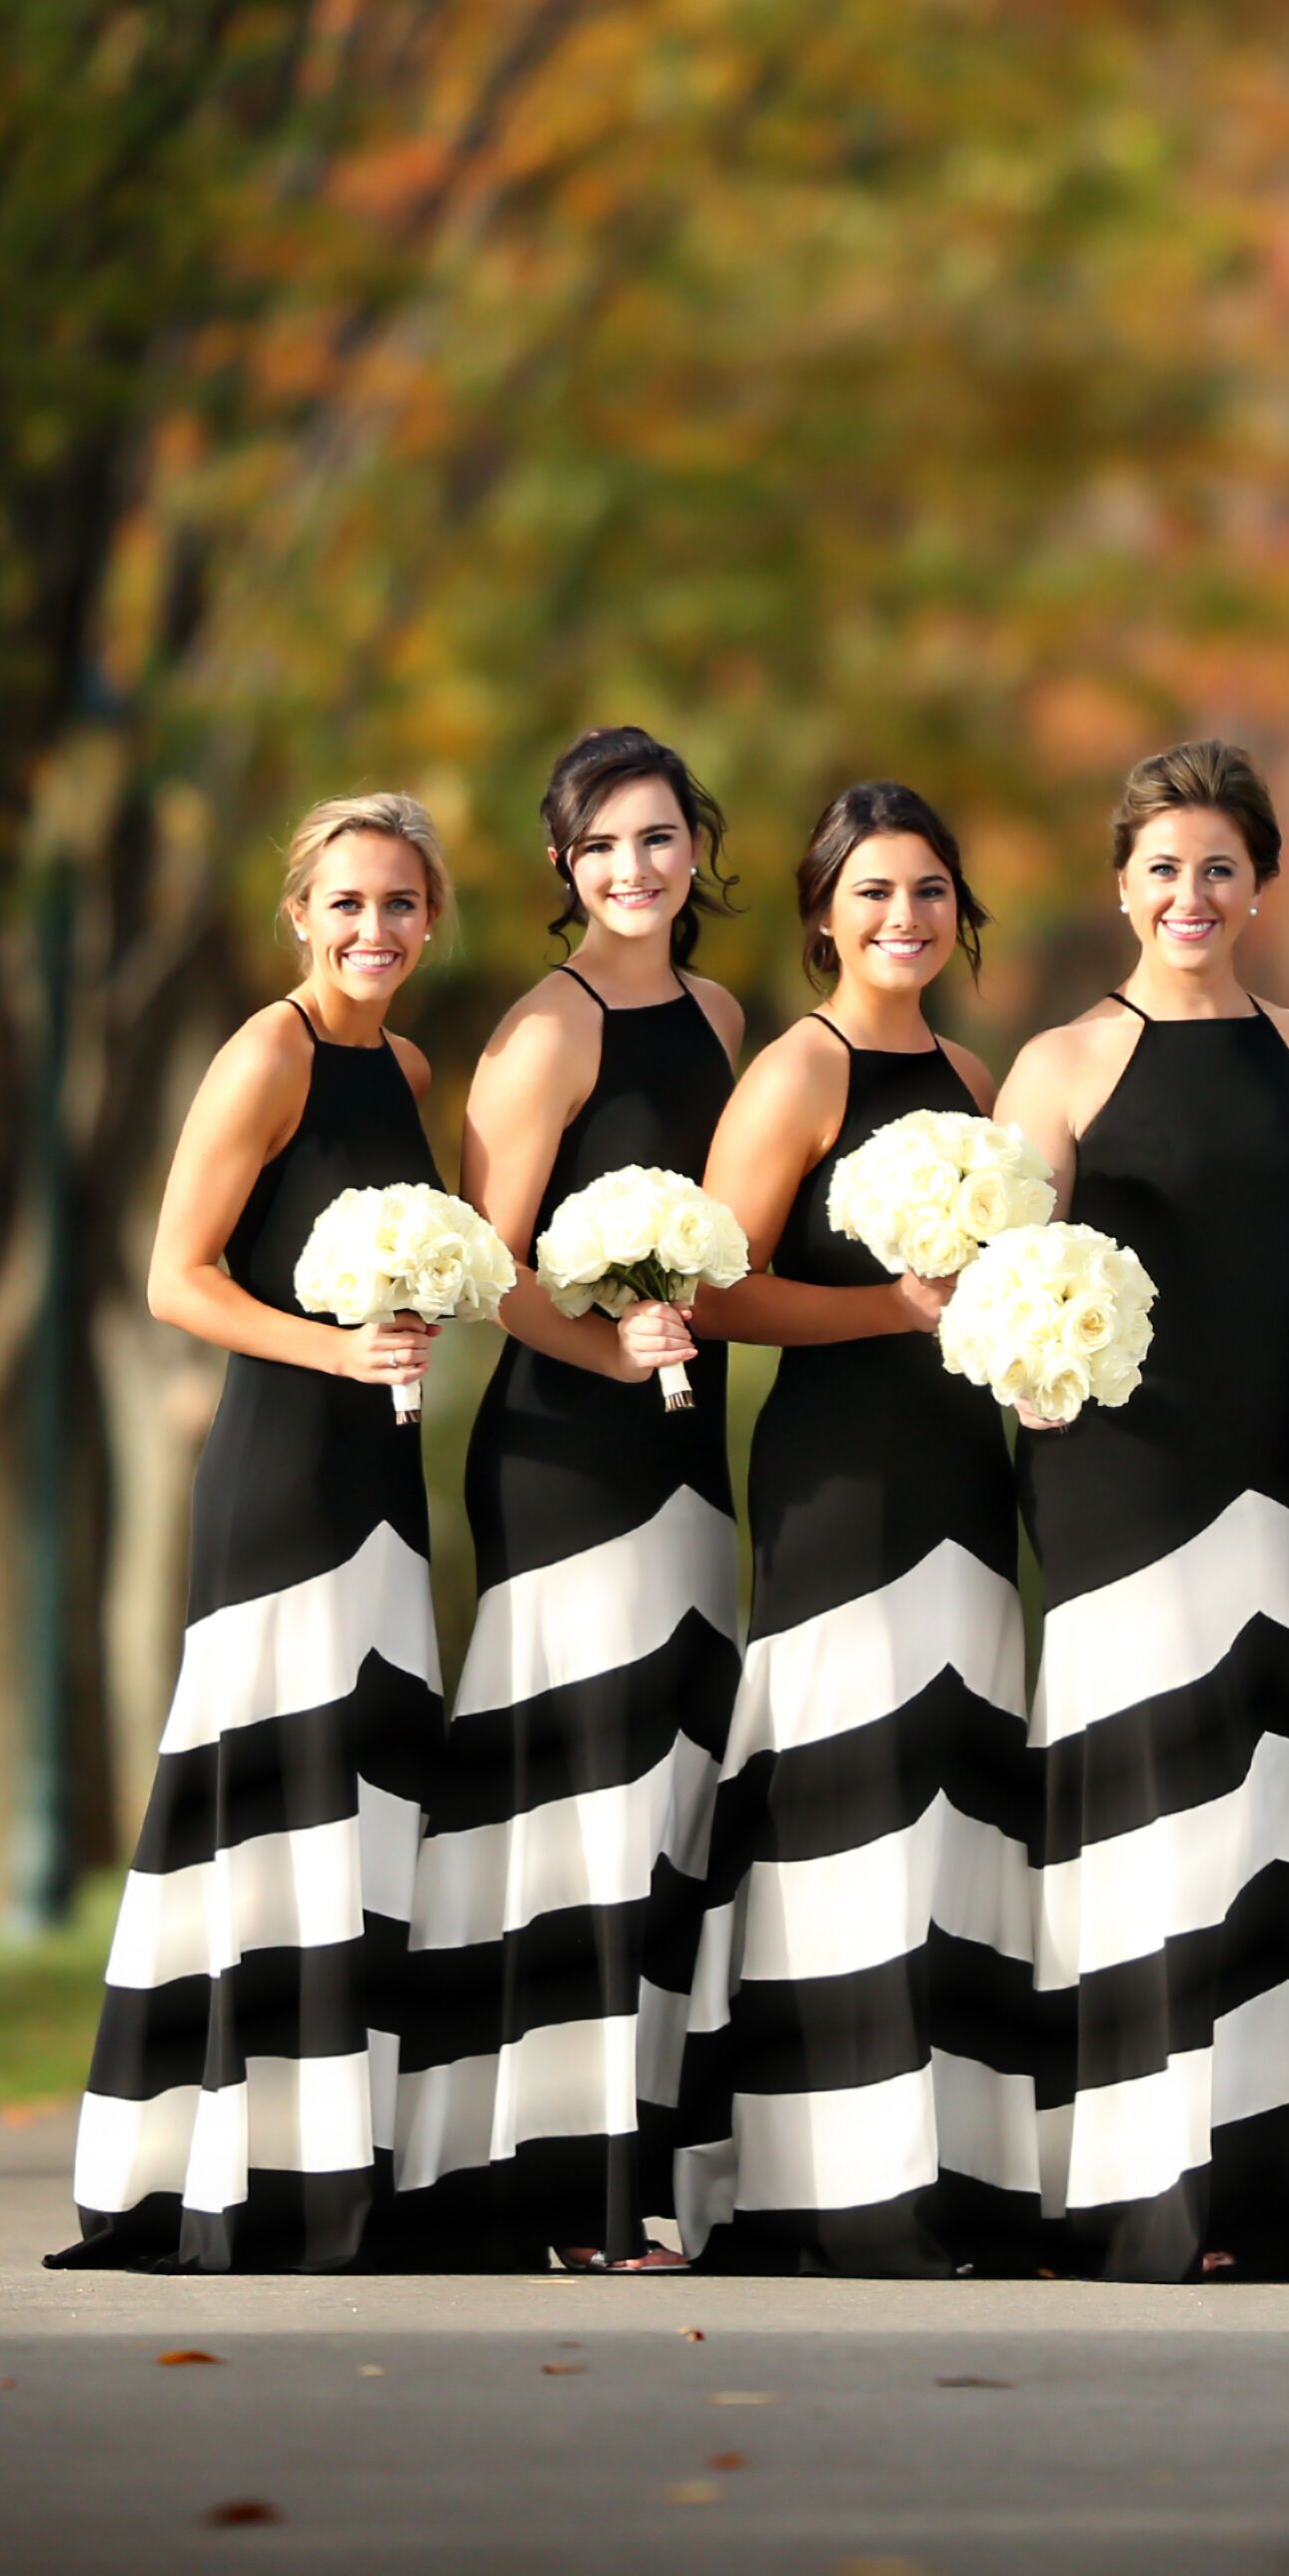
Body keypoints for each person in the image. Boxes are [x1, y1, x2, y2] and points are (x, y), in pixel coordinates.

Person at [56, 792, 461, 2273]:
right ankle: (216, 2168)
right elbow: (178, 1279)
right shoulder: (266, 1053)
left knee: (366, 1802)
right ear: (299, 912)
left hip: (389, 1471)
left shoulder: (406, 1066)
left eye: (401, 905)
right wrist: (331, 1348)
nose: (373, 930)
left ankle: (344, 2164)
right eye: (346, 903)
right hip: (284, 1469)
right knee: (269, 1804)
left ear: (432, 919)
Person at [671, 784, 1042, 2273]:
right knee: (846, 1795)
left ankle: (957, 2169)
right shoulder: (796, 1074)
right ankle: (824, 2180)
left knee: (958, 1793)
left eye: (932, 893)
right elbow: (709, 1285)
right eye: (876, 893)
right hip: (837, 1468)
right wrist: (884, 1308)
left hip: (963, 1456)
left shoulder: (967, 1069)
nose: (906, 918)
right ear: (826, 913)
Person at [394, 728, 747, 2272]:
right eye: (602, 845)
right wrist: (609, 1353)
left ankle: (653, 2165)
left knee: (669, 1807)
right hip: (566, 1450)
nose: (633, 869)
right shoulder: (544, 1033)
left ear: (697, 851)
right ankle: (564, 2198)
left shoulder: (728, 1015)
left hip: (689, 1439)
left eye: (659, 839)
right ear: (561, 863)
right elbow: (489, 1265)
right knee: (584, 1816)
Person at [995, 740, 1289, 2277]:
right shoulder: (1064, 1060)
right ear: (1119, 884)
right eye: (1162, 869)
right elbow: (1000, 1287)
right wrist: (1025, 1376)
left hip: (1259, 1457)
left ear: (1259, 884)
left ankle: (1248, 2191)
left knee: (1254, 1807)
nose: (1189, 895)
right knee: (1137, 1801)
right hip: (1110, 1470)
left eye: (1218, 868)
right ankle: (1121, 2180)